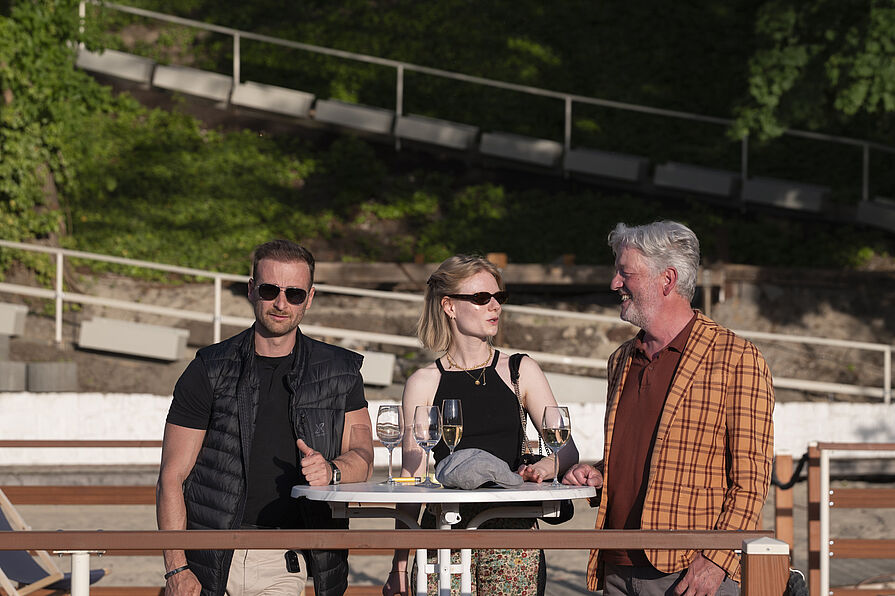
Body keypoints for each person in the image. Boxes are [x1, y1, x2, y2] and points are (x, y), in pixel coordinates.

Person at [563, 221, 774, 595]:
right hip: (615, 565)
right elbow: (650, 454)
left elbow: (751, 478)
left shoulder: (737, 358)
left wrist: (716, 560)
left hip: (688, 574)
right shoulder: (621, 359)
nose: (614, 283)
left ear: (667, 279)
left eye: (625, 273)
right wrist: (599, 473)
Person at [156, 239, 374, 596]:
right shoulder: (209, 368)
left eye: (295, 294)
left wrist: (332, 471)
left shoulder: (340, 370)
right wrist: (177, 568)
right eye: (270, 290)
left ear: (310, 297)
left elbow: (363, 457)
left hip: (283, 559)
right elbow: (171, 476)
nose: (281, 303)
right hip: (207, 558)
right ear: (251, 289)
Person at [382, 254, 579, 596]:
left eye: (498, 297)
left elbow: (567, 449)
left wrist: (544, 467)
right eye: (481, 297)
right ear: (449, 306)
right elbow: (412, 478)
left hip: (513, 532)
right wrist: (398, 566)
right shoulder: (423, 382)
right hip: (444, 530)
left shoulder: (520, 370)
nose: (495, 306)